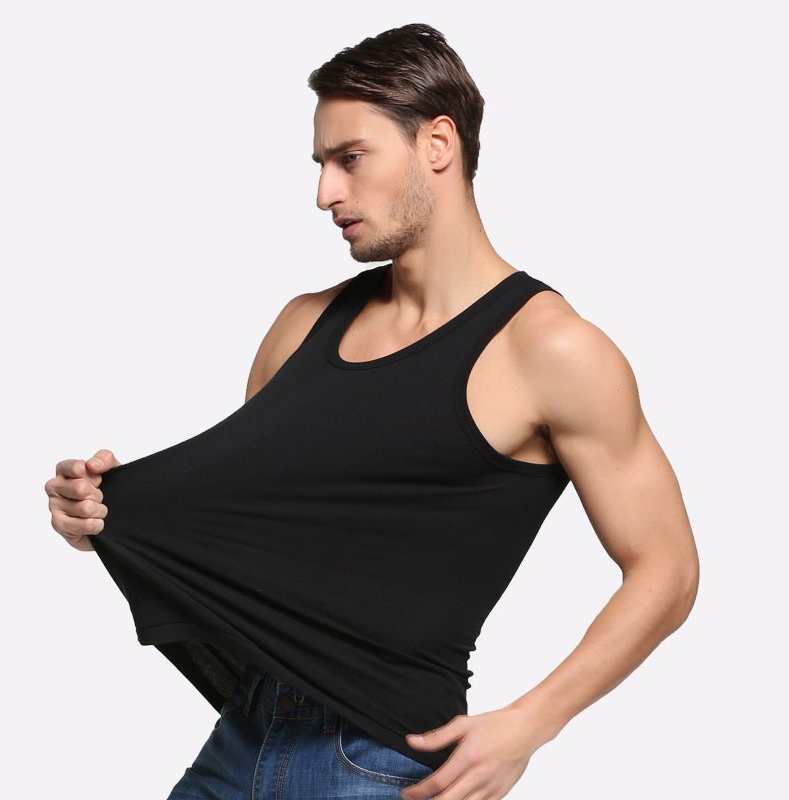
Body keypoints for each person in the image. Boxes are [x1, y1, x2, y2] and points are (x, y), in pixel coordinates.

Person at [43, 22, 699, 800]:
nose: (325, 193)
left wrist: (532, 720)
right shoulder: (301, 325)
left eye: (350, 158)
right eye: (321, 164)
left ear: (438, 144)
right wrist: (109, 513)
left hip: (382, 760)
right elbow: (260, 542)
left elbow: (668, 570)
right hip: (240, 741)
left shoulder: (552, 350)